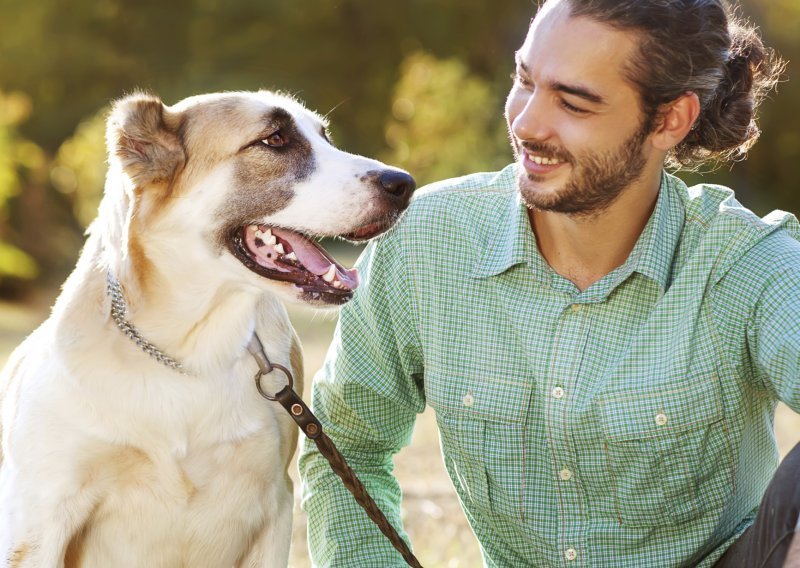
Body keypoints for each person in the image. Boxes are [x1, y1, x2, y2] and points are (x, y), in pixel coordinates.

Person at [299, 0, 800, 566]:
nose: (527, 123)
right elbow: (347, 440)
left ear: (669, 121)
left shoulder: (746, 265)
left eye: (574, 102)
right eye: (524, 81)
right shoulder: (425, 242)